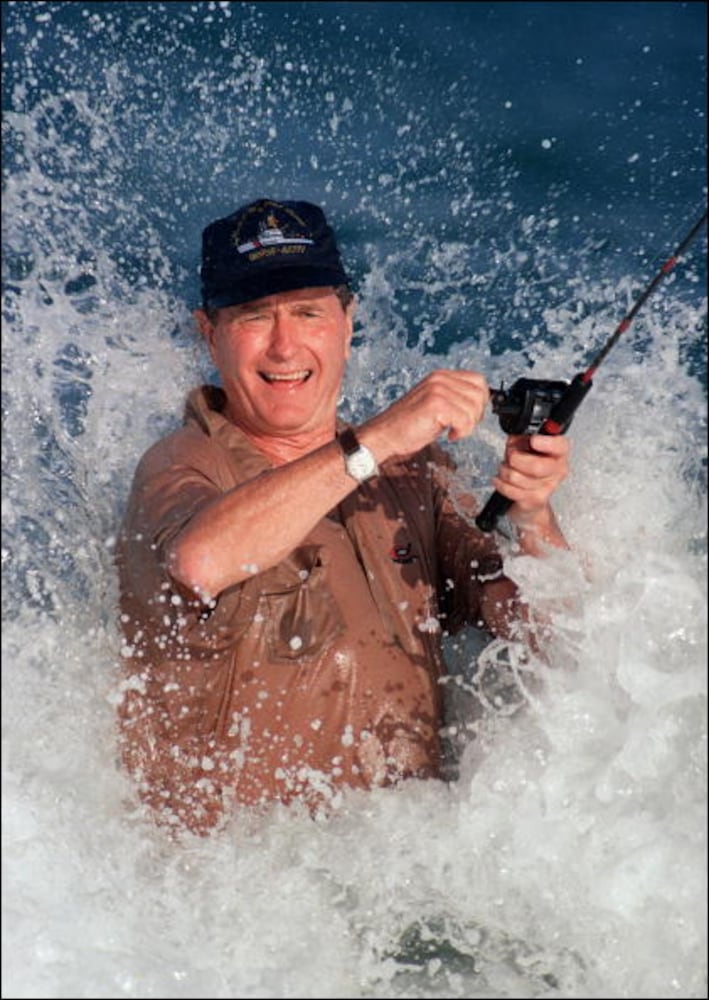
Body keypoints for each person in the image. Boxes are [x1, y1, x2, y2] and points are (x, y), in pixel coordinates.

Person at [115, 198, 570, 835]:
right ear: (208, 332)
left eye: (307, 312)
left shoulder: (414, 474)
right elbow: (200, 561)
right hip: (236, 898)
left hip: (406, 876)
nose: (284, 345)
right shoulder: (180, 465)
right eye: (254, 316)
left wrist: (534, 516)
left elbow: (557, 642)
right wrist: (380, 439)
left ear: (348, 321)